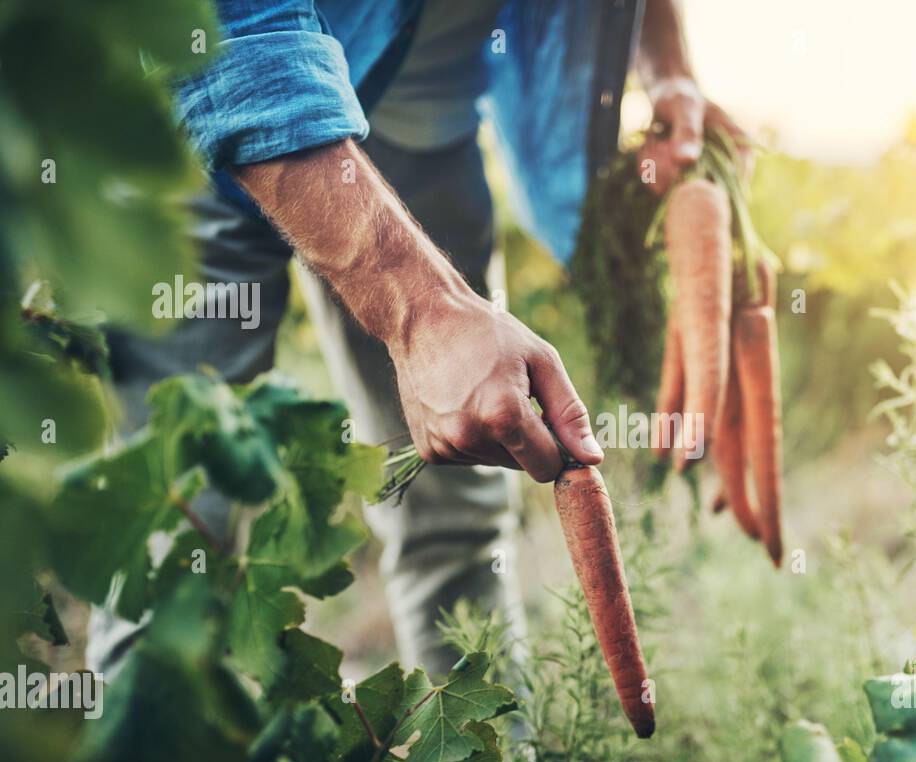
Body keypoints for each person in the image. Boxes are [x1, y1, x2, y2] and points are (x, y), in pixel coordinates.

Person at [88, 0, 747, 678]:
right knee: (175, 516)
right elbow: (228, 36)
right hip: (204, 115)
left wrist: (669, 69)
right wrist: (424, 312)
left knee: (459, 521)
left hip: (427, 137)